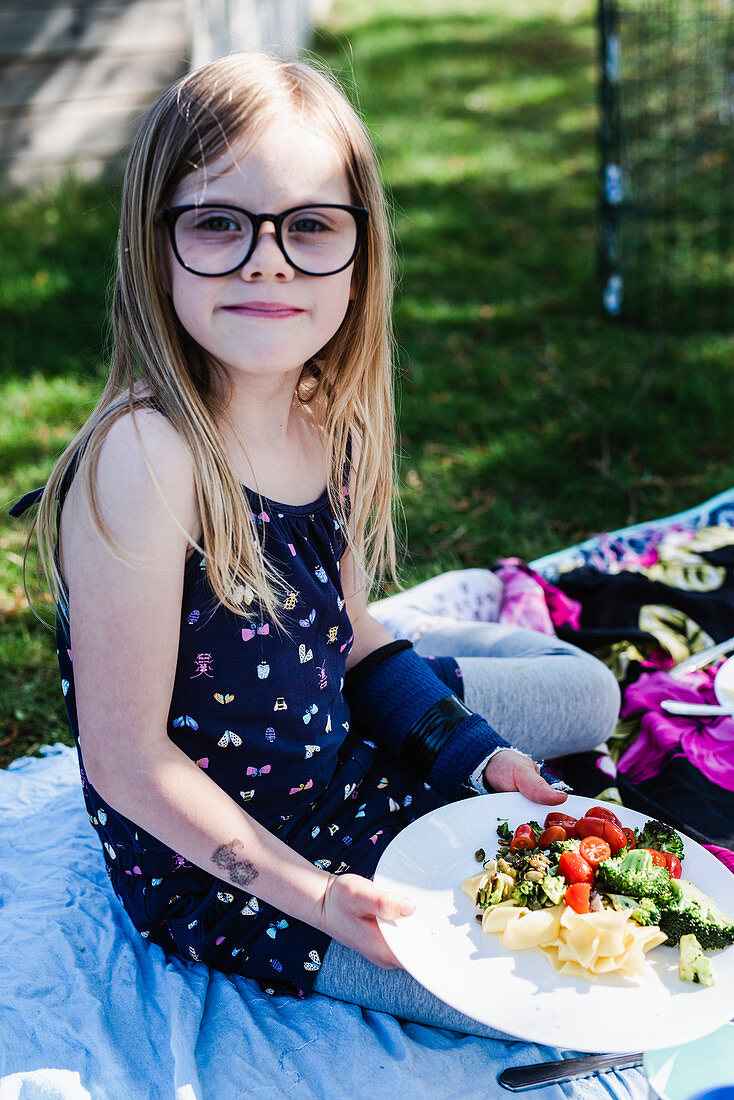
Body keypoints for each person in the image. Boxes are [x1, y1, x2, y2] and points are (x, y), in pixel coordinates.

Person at [16, 52, 619, 1038]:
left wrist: (475, 758)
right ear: (155, 243)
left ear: (357, 252)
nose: (266, 260)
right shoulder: (145, 456)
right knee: (539, 993)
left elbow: (345, 639)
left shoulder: (320, 412)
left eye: (308, 226)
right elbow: (125, 761)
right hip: (228, 867)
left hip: (335, 749)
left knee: (584, 697)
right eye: (218, 222)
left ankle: (460, 704)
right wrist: (316, 894)